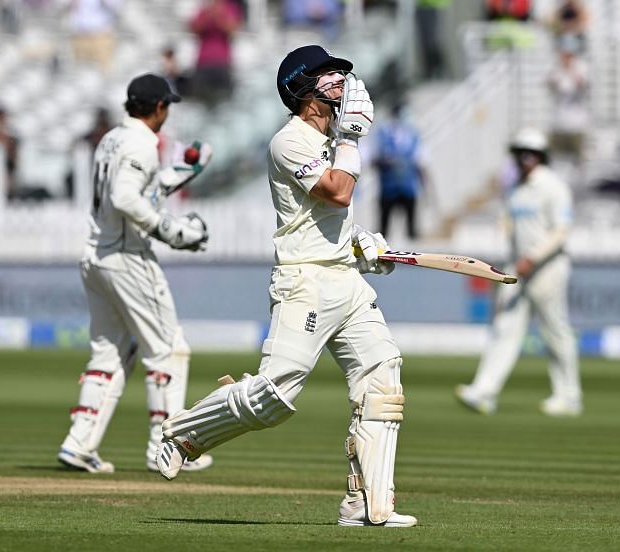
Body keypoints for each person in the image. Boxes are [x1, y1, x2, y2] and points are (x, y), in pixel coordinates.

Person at [155, 45, 417, 528]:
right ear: (302, 88)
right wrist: (354, 138)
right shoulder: (289, 141)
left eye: (342, 73)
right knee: (274, 397)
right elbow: (337, 190)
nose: (342, 81)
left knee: (383, 379)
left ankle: (366, 506)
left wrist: (362, 246)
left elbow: (329, 216)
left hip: (346, 282)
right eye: (330, 75)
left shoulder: (334, 139)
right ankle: (181, 434)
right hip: (305, 283)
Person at [57, 73, 215, 474]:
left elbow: (135, 190)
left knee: (110, 352)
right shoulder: (142, 142)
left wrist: (182, 170)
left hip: (96, 255)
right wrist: (172, 232)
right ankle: (166, 448)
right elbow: (124, 197)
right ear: (159, 107)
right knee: (168, 350)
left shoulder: (112, 138)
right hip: (127, 257)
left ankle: (79, 444)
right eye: (168, 107)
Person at [455, 128, 582, 417]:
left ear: (540, 156)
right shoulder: (514, 191)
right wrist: (510, 264)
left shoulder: (553, 187)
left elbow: (561, 231)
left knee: (556, 332)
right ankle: (484, 392)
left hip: (548, 268)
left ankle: (569, 396)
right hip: (517, 268)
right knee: (504, 328)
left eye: (529, 153)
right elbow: (510, 232)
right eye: (519, 153)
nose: (523, 159)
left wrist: (534, 257)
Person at [371, 102, 428, 240]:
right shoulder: (382, 134)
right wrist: (384, 162)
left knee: (412, 228)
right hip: (388, 188)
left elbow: (421, 163)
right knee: (383, 228)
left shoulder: (414, 135)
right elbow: (372, 159)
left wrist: (425, 189)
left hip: (408, 188)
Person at [188, 0, 242, 106]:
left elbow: (232, 30)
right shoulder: (204, 10)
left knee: (225, 100)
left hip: (222, 64)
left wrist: (219, 16)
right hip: (203, 63)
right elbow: (194, 28)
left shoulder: (230, 9)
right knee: (200, 99)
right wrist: (208, 16)